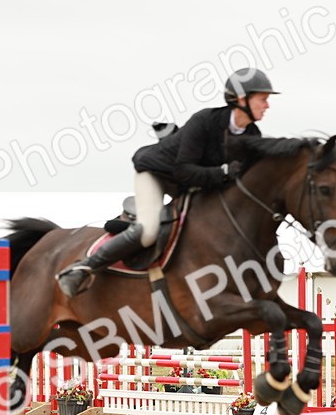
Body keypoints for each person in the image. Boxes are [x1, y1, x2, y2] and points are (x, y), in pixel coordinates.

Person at [56, 67, 279, 299]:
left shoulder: (252, 134)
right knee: (148, 232)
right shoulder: (205, 121)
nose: (267, 105)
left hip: (190, 184)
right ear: (241, 99)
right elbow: (184, 170)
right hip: (157, 174)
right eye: (262, 99)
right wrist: (222, 172)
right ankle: (84, 268)